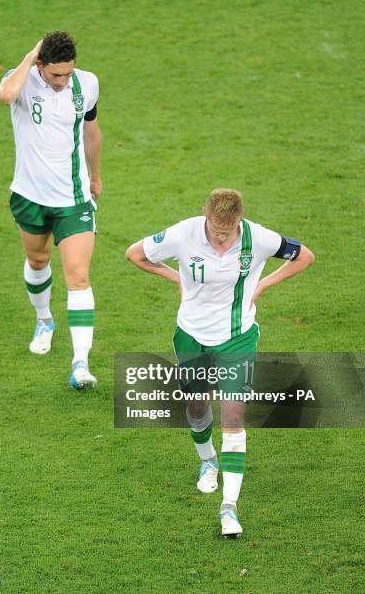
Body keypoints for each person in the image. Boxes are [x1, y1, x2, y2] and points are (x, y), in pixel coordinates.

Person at [125, 188, 315, 536]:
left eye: (227, 232)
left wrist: (263, 286)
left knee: (233, 417)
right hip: (192, 335)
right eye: (215, 230)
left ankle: (229, 508)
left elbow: (304, 256)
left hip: (237, 337)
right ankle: (207, 460)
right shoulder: (184, 234)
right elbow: (135, 254)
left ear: (239, 220)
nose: (220, 237)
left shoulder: (259, 238)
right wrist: (176, 278)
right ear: (205, 215)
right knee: (197, 406)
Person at [0, 31, 102, 389]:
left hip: (73, 199)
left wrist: (96, 177)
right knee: (38, 261)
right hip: (29, 195)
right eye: (55, 74)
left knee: (78, 275)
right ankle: (44, 319)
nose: (62, 81)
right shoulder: (22, 80)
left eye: (67, 74)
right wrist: (30, 56)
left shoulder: (86, 84)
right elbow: (5, 94)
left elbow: (91, 131)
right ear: (40, 65)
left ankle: (80, 364)